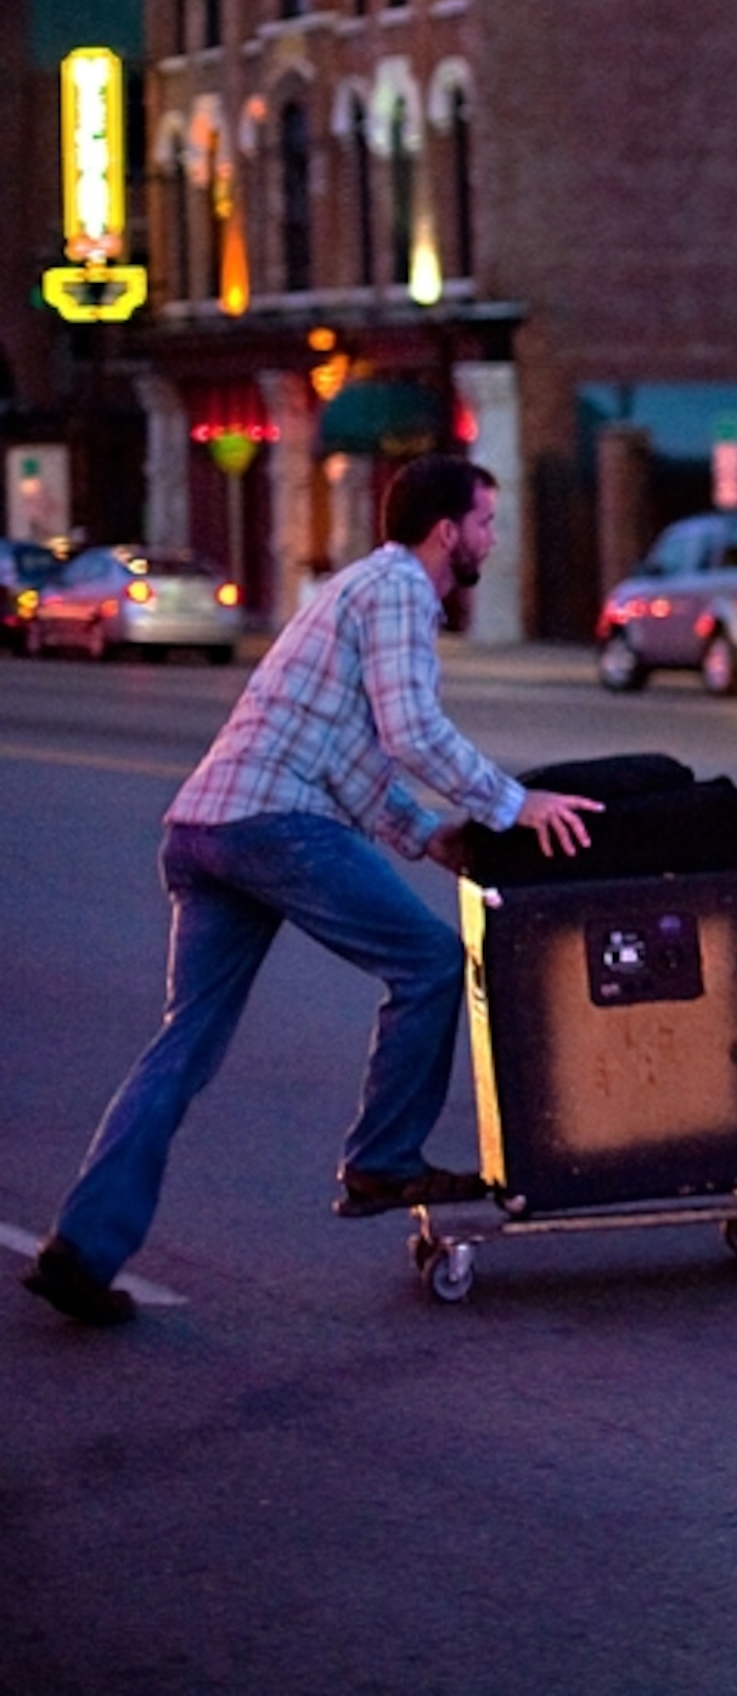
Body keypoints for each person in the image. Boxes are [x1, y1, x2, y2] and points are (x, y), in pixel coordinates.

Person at [21, 456, 601, 1328]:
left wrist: (425, 836)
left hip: (206, 828)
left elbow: (343, 750)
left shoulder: (349, 590)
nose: (491, 535)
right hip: (274, 826)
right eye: (485, 521)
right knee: (432, 962)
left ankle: (79, 1249)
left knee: (184, 1046)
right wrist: (515, 804)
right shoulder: (403, 588)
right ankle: (383, 1159)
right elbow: (410, 730)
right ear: (446, 530)